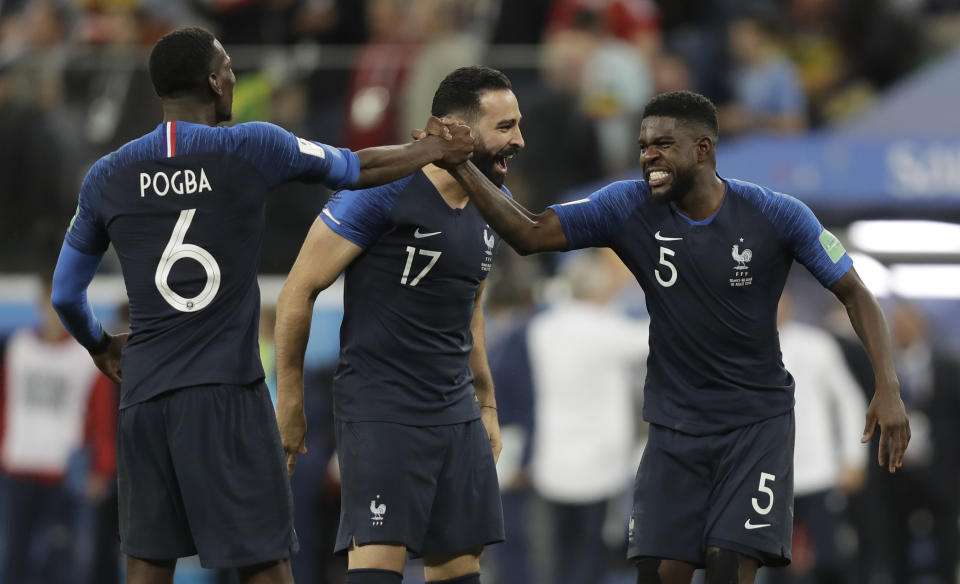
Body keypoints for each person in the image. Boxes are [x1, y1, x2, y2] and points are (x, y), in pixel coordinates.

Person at [49, 26, 473, 584]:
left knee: (148, 566)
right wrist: (432, 149)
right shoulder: (251, 146)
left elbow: (64, 293)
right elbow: (356, 168)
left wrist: (102, 346)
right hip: (226, 392)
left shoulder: (107, 175)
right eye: (228, 67)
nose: (233, 77)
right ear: (213, 80)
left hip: (145, 397)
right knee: (264, 564)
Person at [440, 89, 910, 584]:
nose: (648, 157)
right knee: (660, 573)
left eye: (663, 145)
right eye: (643, 145)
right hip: (673, 427)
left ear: (702, 149)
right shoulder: (626, 205)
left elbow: (856, 293)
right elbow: (530, 233)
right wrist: (464, 167)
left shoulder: (776, 214)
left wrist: (888, 386)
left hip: (754, 426)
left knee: (729, 564)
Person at [274, 65, 524, 584]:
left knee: (460, 566)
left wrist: (487, 403)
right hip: (381, 406)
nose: (519, 140)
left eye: (518, 125)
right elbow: (298, 289)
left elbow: (469, 309)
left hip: (455, 411)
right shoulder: (380, 192)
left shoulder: (491, 207)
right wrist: (291, 401)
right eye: (504, 127)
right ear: (456, 128)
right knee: (379, 561)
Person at [0, 276, 115, 584]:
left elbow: (102, 417)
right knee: (13, 560)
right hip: (18, 468)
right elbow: (5, 404)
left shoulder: (84, 356)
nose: (53, 313)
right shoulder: (19, 347)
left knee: (60, 563)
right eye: (47, 305)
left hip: (63, 474)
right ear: (39, 305)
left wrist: (102, 468)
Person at [767, 290, 867, 584]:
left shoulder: (817, 344)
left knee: (832, 558)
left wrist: (853, 458)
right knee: (773, 563)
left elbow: (849, 400)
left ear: (791, 304)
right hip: (767, 477)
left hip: (820, 473)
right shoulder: (743, 349)